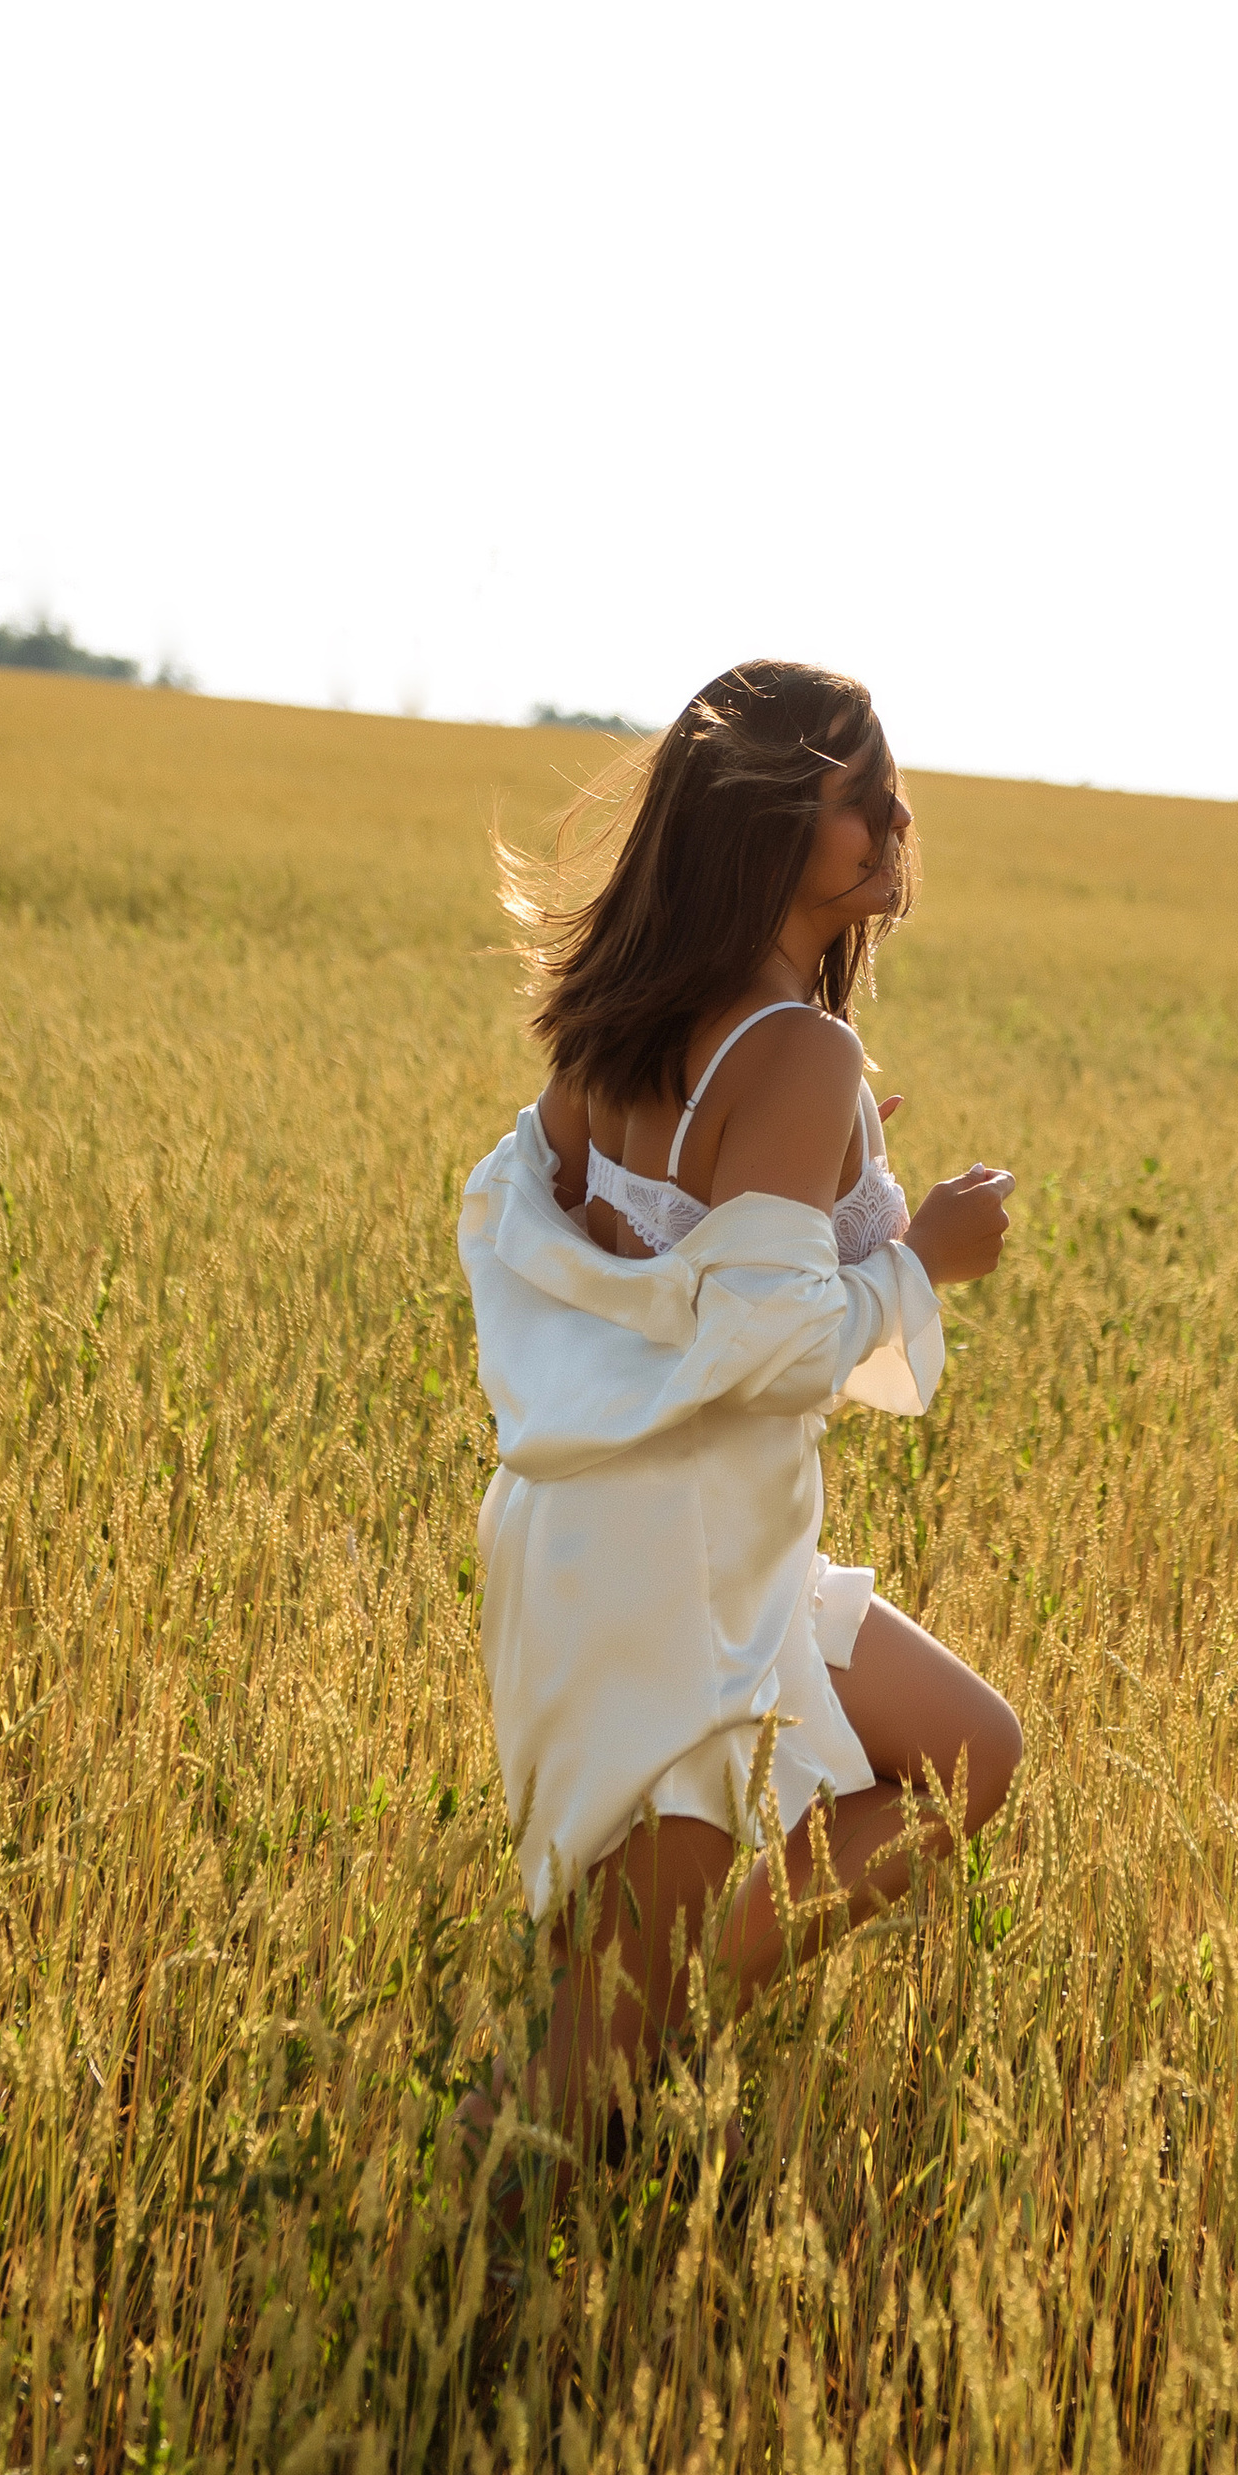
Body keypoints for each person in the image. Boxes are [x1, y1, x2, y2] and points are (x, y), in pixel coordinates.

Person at [457, 657, 1022, 2139]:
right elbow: (765, 1347)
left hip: (617, 1539)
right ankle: (430, 2281)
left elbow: (610, 1254)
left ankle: (670, 2016)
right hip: (681, 1570)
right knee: (589, 2060)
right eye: (857, 793)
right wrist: (927, 1263)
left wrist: (828, 1182)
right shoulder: (791, 1049)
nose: (897, 814)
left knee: (974, 1752)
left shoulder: (624, 1026)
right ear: (763, 820)